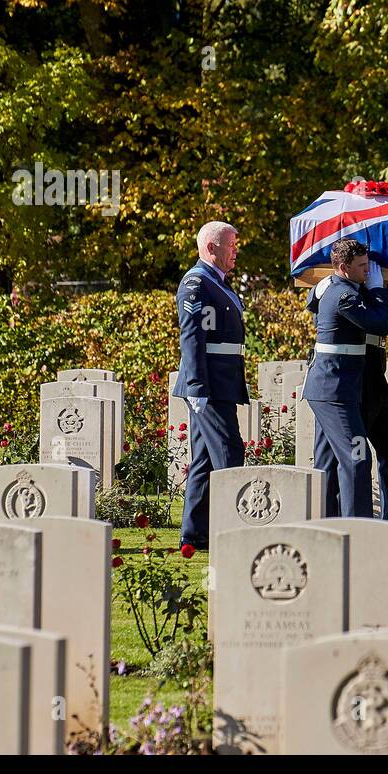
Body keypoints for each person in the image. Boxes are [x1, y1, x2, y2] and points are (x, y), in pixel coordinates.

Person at [307, 277, 388, 528]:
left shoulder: (376, 288)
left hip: (373, 380)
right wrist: (319, 287)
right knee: (340, 458)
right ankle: (332, 524)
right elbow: (312, 303)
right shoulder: (342, 289)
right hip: (347, 381)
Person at [301, 238, 388, 517]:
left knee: (327, 462)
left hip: (334, 387)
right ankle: (357, 527)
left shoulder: (333, 286)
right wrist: (377, 290)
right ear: (342, 267)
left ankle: (324, 522)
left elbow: (310, 300)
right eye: (362, 266)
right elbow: (380, 324)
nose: (369, 270)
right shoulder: (345, 295)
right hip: (334, 390)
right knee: (357, 457)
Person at [174, 221, 248, 551]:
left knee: (204, 459)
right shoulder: (196, 283)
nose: (235, 251)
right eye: (230, 245)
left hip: (221, 381)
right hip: (209, 384)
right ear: (211, 248)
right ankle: (233, 527)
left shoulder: (215, 282)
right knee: (229, 451)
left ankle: (195, 533)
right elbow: (192, 337)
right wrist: (196, 385)